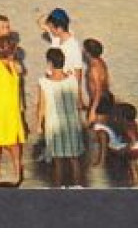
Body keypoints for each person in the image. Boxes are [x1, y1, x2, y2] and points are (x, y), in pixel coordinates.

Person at [37, 48, 86, 187]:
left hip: (54, 123)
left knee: (58, 161)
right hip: (72, 122)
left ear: (50, 63)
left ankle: (58, 188)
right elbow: (78, 102)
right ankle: (77, 187)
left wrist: (39, 124)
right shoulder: (72, 80)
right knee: (74, 159)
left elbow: (42, 106)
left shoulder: (44, 82)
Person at [0, 34, 26, 185]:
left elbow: (21, 71)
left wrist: (13, 63)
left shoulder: (13, 66)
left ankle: (17, 170)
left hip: (13, 110)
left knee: (14, 142)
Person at [39, 8, 84, 97]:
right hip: (51, 81)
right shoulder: (56, 36)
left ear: (59, 28)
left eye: (51, 27)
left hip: (63, 86)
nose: (49, 29)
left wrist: (78, 96)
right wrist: (53, 15)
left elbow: (78, 72)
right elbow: (40, 23)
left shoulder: (73, 46)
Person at [84, 38, 113, 131]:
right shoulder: (101, 62)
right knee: (103, 130)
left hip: (99, 101)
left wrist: (93, 109)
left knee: (95, 130)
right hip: (105, 97)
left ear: (88, 52)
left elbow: (98, 89)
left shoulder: (94, 68)